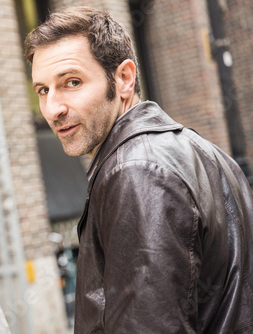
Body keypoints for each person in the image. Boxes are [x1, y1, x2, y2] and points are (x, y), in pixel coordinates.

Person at [25, 6, 253, 333]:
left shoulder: (136, 171)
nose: (52, 109)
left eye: (71, 82)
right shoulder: (203, 151)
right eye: (43, 90)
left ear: (124, 79)